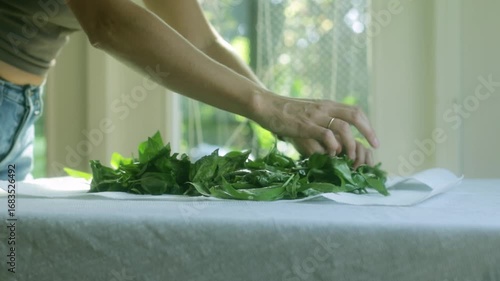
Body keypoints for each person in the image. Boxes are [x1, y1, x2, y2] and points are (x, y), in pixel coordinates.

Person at [0, 0, 379, 181]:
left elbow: (201, 41)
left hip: (17, 113)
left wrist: (288, 121)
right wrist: (269, 107)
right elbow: (108, 21)